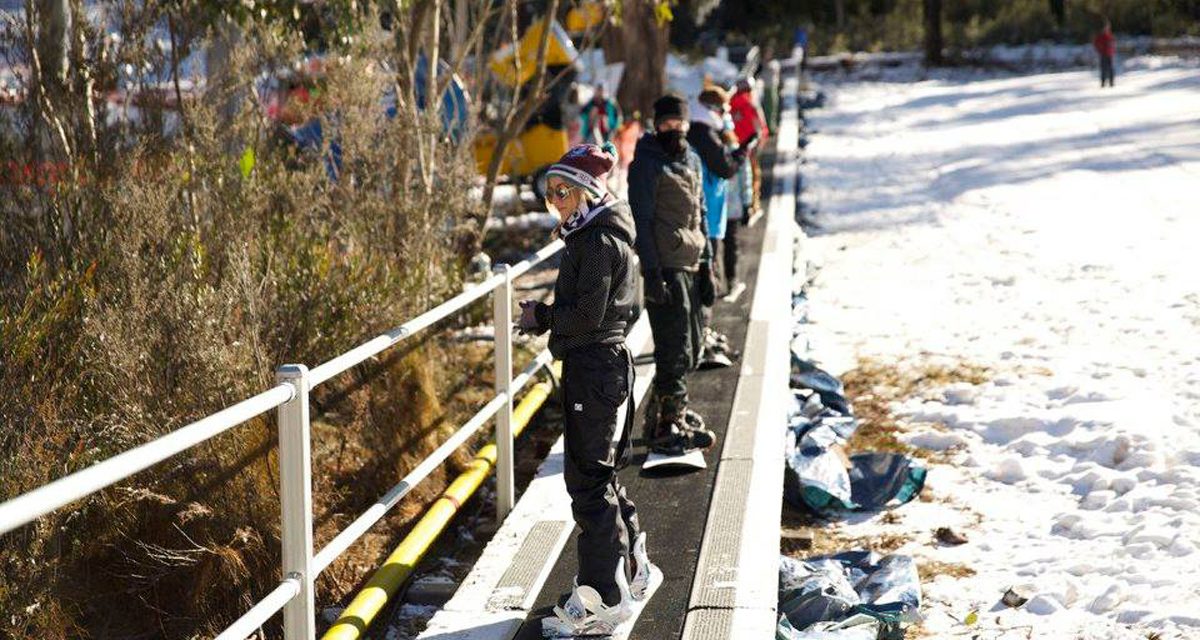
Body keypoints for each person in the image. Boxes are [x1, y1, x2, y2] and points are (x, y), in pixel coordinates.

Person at [518, 143, 659, 634]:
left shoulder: (596, 242)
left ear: (588, 192)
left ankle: (603, 594)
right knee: (599, 473)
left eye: (564, 191)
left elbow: (587, 315)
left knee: (586, 483)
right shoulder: (603, 234)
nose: (555, 201)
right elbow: (617, 309)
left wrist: (543, 317)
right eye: (550, 193)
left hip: (595, 368)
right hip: (603, 365)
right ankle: (635, 567)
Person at [627, 93, 716, 452]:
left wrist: (708, 264)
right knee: (673, 345)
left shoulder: (692, 159)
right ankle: (668, 421)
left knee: (693, 345)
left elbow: (702, 213)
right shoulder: (647, 163)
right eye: (666, 123)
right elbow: (642, 220)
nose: (673, 128)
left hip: (693, 261)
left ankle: (668, 409)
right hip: (666, 264)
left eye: (678, 122)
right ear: (656, 123)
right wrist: (652, 271)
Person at [687, 86, 749, 367]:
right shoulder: (703, 133)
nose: (727, 116)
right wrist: (740, 154)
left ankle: (703, 335)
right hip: (706, 216)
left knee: (706, 277)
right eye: (723, 110)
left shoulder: (702, 132)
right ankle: (700, 339)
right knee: (706, 277)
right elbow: (725, 167)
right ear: (712, 110)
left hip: (709, 214)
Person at [730, 77, 770, 214]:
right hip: (749, 146)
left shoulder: (729, 104)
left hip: (733, 147)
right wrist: (759, 144)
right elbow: (761, 128)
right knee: (752, 176)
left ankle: (738, 206)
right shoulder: (751, 104)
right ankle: (752, 205)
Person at [1094, 21, 1116, 88]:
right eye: (1105, 27)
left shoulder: (1110, 35)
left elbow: (1113, 44)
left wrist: (1113, 51)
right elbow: (1096, 44)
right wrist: (1100, 50)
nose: (1106, 28)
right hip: (1103, 54)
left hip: (1110, 54)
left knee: (1111, 69)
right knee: (1103, 69)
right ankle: (1103, 83)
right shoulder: (1100, 36)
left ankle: (1111, 82)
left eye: (1108, 27)